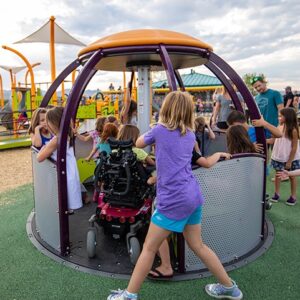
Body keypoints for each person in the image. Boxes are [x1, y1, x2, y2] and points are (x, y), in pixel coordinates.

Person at [107, 91, 243, 300]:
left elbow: (138, 143)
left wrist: (154, 129)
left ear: (165, 109)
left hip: (173, 200)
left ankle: (129, 295)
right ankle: (229, 287)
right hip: (192, 196)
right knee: (198, 245)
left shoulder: (159, 130)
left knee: (149, 248)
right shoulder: (189, 135)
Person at [37, 107, 82, 212]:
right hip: (70, 170)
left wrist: (44, 148)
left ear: (54, 123)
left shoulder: (57, 139)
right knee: (67, 197)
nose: (46, 125)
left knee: (60, 199)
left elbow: (40, 158)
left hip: (63, 172)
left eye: (48, 122)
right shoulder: (68, 134)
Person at [270, 108, 300, 205]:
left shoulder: (294, 130)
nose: (279, 118)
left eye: (281, 116)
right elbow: (273, 140)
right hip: (279, 156)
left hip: (290, 158)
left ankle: (293, 196)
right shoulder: (279, 126)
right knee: (278, 174)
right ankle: (277, 193)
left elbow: (294, 147)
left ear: (287, 117)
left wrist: (289, 161)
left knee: (291, 176)